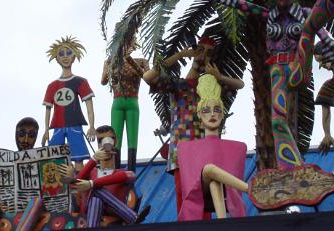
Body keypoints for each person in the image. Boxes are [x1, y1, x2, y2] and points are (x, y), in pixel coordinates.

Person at [187, 0, 334, 170]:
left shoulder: (307, 13)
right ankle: (291, 167)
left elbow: (327, 39)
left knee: (309, 26)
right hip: (277, 69)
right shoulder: (266, 14)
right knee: (279, 118)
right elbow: (232, 0)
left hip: (298, 66)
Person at [143, 37, 244, 211]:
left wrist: (218, 77)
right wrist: (181, 54)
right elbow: (148, 76)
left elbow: (239, 84)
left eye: (208, 53)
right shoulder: (178, 85)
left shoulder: (211, 86)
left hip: (206, 150)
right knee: (185, 199)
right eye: (200, 50)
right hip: (181, 150)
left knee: (205, 197)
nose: (202, 55)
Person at [177, 74, 249, 220]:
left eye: (217, 110)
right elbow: (189, 180)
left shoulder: (237, 147)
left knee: (215, 180)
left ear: (222, 115)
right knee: (209, 169)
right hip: (199, 185)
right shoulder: (185, 147)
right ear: (199, 115)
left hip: (219, 185)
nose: (212, 114)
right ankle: (251, 189)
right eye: (206, 110)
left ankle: (222, 221)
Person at [61, 126, 150, 228]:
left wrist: (91, 184)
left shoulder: (122, 173)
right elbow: (74, 186)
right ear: (98, 144)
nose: (106, 143)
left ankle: (91, 230)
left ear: (115, 142)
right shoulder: (91, 172)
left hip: (114, 215)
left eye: (110, 139)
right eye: (100, 140)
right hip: (90, 213)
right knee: (95, 193)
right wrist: (94, 159)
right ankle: (133, 218)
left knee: (96, 190)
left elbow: (127, 175)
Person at [42, 36, 96, 170]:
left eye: (68, 53)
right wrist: (46, 130)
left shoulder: (80, 81)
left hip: (75, 124)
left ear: (74, 55)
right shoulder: (52, 86)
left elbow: (89, 106)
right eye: (61, 54)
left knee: (78, 159)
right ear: (56, 57)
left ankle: (79, 186)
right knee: (53, 158)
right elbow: (48, 110)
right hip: (57, 127)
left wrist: (92, 126)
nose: (65, 57)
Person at [101, 38, 149, 173]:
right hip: (117, 102)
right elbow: (103, 81)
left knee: (132, 139)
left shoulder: (141, 62)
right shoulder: (110, 61)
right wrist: (112, 63)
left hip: (133, 102)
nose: (128, 46)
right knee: (116, 139)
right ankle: (116, 171)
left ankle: (132, 171)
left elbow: (147, 77)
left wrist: (129, 59)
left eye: (130, 43)